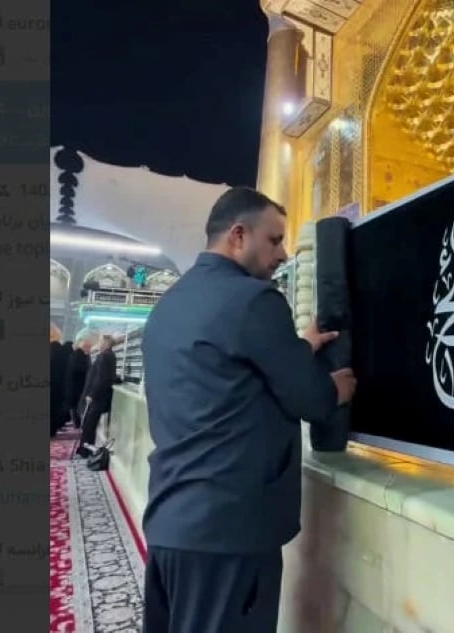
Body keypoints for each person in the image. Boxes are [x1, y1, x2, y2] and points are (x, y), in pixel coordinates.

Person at [141, 186, 356, 633]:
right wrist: (334, 388)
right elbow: (310, 398)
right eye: (274, 240)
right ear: (238, 235)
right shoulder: (255, 299)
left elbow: (227, 374)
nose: (282, 254)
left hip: (170, 524)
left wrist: (299, 348)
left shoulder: (168, 305)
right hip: (228, 536)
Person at [77, 335, 117, 457]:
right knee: (90, 423)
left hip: (96, 397)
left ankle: (85, 449)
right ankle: (85, 448)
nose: (99, 344)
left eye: (100, 342)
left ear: (105, 343)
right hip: (100, 396)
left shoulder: (104, 356)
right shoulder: (110, 355)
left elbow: (100, 378)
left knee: (88, 424)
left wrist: (92, 394)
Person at [64, 339, 92, 429]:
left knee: (73, 405)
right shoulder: (83, 357)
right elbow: (85, 371)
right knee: (78, 405)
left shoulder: (73, 356)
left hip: (72, 386)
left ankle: (76, 423)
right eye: (88, 347)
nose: (89, 349)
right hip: (80, 386)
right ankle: (79, 423)